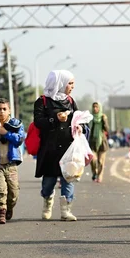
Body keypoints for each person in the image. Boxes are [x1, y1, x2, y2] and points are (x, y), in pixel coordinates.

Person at [34, 70, 90, 222]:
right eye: (70, 83)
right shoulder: (42, 101)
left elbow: (80, 119)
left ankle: (66, 210)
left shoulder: (70, 101)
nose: (72, 86)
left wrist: (81, 127)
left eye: (72, 83)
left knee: (69, 179)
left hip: (68, 149)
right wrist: (55, 118)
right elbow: (38, 122)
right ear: (60, 83)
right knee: (49, 182)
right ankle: (47, 201)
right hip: (50, 150)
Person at [88, 101, 109, 182]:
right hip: (92, 141)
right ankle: (94, 172)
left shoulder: (103, 117)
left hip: (102, 142)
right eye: (94, 107)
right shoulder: (90, 117)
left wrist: (104, 121)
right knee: (92, 159)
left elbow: (107, 129)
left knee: (100, 161)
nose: (95, 108)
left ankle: (99, 175)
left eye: (97, 107)